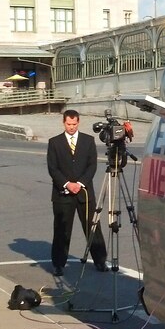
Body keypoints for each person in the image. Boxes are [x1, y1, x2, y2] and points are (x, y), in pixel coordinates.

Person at [47, 109, 107, 276]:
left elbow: (92, 166)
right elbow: (53, 168)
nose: (71, 127)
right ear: (63, 123)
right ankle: (59, 263)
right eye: (68, 124)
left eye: (74, 124)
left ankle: (100, 260)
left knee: (92, 227)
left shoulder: (88, 141)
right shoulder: (55, 142)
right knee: (62, 230)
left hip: (84, 192)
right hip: (62, 194)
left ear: (78, 122)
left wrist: (80, 184)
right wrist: (67, 184)